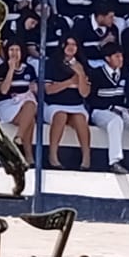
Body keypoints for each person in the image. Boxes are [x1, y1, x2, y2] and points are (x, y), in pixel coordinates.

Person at [88, 44, 129, 174]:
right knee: (115, 121)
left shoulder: (125, 72)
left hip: (121, 110)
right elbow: (91, 99)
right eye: (117, 56)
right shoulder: (96, 73)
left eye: (121, 56)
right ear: (107, 58)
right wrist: (110, 107)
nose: (121, 59)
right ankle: (114, 161)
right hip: (100, 111)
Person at [43, 35, 93, 170]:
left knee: (80, 119)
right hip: (54, 104)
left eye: (74, 44)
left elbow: (85, 93)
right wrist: (69, 82)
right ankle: (53, 156)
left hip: (76, 105)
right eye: (68, 44)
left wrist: (81, 75)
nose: (71, 47)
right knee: (60, 116)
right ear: (62, 46)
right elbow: (49, 90)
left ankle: (86, 158)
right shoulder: (51, 63)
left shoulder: (83, 64)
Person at [0, 40, 38, 162]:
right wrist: (11, 70)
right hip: (6, 104)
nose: (14, 53)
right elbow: (4, 90)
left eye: (17, 50)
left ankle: (25, 151)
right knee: (30, 113)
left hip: (24, 103)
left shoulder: (29, 69)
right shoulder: (0, 69)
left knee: (31, 115)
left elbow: (34, 88)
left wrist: (34, 88)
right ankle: (21, 144)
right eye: (11, 50)